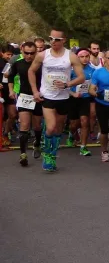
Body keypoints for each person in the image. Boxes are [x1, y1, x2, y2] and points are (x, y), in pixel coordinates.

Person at [28, 29, 85, 172]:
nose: (53, 41)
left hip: (64, 97)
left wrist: (67, 85)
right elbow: (31, 71)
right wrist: (35, 91)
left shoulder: (71, 56)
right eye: (51, 38)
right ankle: (47, 154)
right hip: (47, 96)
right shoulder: (43, 55)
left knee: (58, 129)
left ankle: (53, 155)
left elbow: (81, 77)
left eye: (57, 39)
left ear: (63, 40)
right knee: (51, 127)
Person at [7, 42, 43, 165]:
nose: (29, 56)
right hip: (24, 96)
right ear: (22, 51)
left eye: (32, 53)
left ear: (36, 52)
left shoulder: (41, 65)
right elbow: (10, 77)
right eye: (26, 53)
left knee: (37, 126)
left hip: (38, 97)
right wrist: (11, 90)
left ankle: (37, 143)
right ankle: (23, 155)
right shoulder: (18, 64)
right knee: (24, 125)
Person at [66, 47, 94, 156]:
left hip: (85, 99)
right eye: (82, 57)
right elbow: (64, 86)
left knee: (84, 121)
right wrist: (73, 94)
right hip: (73, 99)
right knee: (74, 124)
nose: (85, 59)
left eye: (87, 56)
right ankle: (71, 134)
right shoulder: (71, 70)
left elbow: (94, 84)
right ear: (77, 57)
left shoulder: (92, 71)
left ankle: (83, 147)